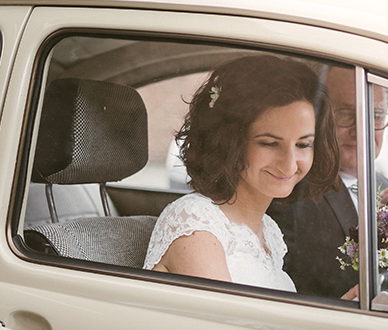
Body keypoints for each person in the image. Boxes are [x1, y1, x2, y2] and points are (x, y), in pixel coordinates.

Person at [144, 55, 340, 290]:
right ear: (229, 143)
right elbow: (225, 325)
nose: (289, 165)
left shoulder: (268, 231)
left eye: (302, 145)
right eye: (269, 143)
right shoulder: (195, 223)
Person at [269, 65, 388, 300]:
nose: (361, 130)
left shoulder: (387, 186)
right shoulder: (290, 194)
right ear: (318, 114)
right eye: (344, 114)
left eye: (376, 116)